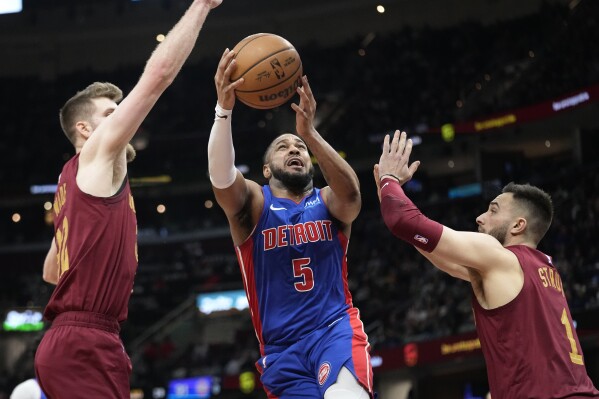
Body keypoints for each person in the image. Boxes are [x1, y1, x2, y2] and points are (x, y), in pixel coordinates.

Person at [34, 1, 223, 397]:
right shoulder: (95, 153)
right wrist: (202, 6)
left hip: (83, 337)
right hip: (82, 341)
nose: (121, 117)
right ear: (85, 129)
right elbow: (159, 76)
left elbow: (52, 271)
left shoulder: (69, 182)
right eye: (111, 112)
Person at [374, 130, 599, 399]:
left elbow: (403, 221)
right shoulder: (545, 269)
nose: (480, 218)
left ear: (518, 225)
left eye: (492, 210)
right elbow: (434, 250)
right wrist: (387, 195)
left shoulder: (500, 256)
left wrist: (389, 179)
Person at [207, 50, 374, 399]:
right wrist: (224, 110)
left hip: (334, 330)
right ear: (267, 169)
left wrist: (310, 134)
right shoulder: (254, 204)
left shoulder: (327, 201)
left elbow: (353, 198)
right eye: (283, 147)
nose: (294, 149)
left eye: (299, 148)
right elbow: (222, 180)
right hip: (282, 351)